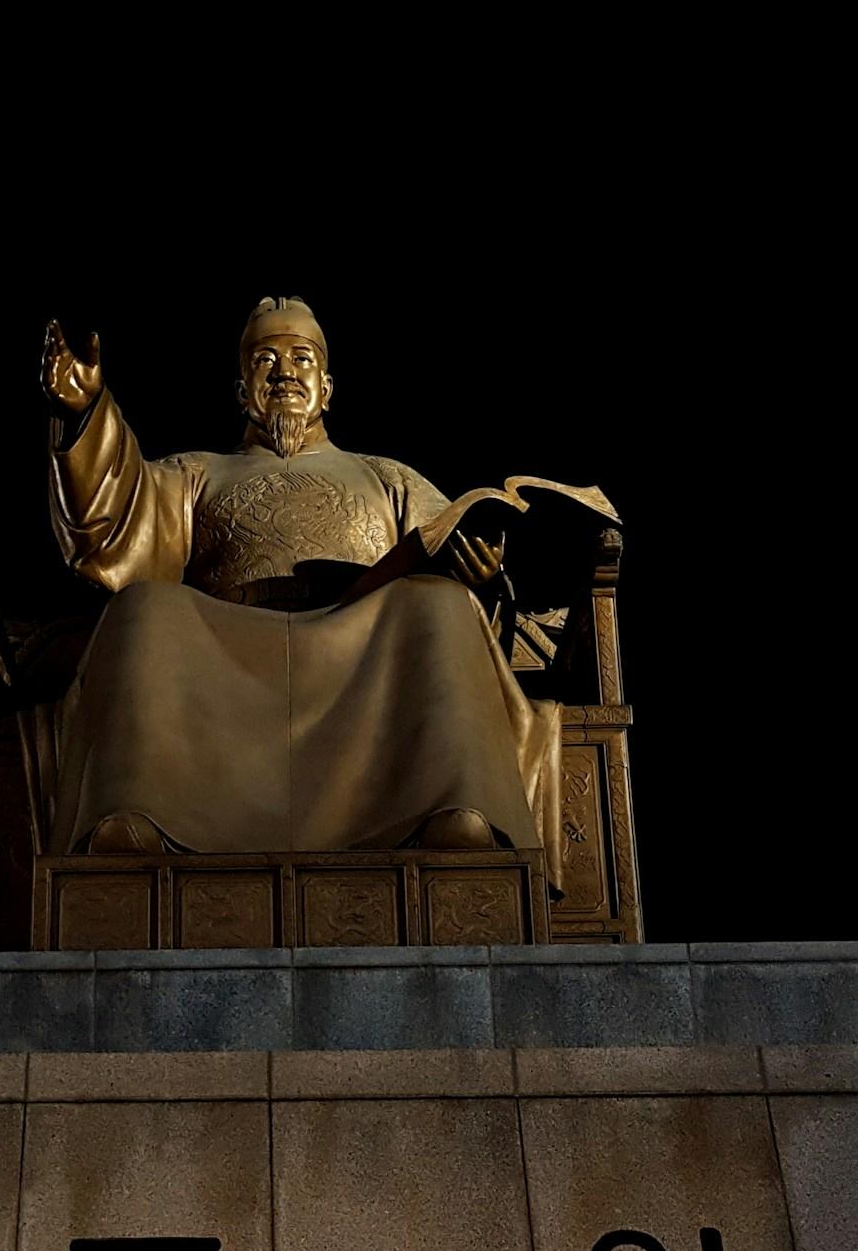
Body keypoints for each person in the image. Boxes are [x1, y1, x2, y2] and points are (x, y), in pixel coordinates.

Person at [37, 295, 568, 867]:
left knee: (438, 605)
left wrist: (481, 576)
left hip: (362, 651)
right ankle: (137, 815)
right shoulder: (198, 473)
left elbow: (443, 542)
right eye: (265, 360)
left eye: (302, 359)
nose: (285, 372)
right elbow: (116, 525)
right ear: (242, 389)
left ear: (329, 387)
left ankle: (454, 810)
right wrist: (86, 414)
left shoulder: (387, 477)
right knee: (142, 609)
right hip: (229, 652)